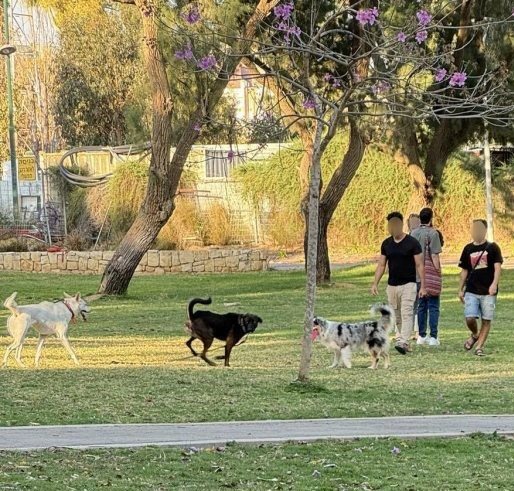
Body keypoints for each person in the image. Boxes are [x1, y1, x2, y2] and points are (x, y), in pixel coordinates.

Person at [371, 212, 427, 354]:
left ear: (401, 225)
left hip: (409, 284)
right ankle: (403, 339)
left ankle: (403, 341)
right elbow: (382, 265)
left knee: (407, 312)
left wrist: (424, 286)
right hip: (392, 285)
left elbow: (420, 265)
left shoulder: (412, 243)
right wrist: (375, 283)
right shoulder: (386, 244)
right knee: (396, 315)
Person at [458, 219, 503, 357]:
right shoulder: (467, 249)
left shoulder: (493, 247)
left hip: (488, 290)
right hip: (471, 289)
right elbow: (464, 270)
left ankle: (479, 347)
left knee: (486, 319)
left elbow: (497, 268)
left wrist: (494, 284)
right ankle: (475, 334)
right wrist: (460, 289)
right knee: (470, 318)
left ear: (484, 230)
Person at [411, 207, 442, 346]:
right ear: (431, 218)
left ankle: (421, 335)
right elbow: (434, 255)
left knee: (421, 306)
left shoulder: (413, 233)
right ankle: (433, 336)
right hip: (430, 274)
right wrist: (438, 271)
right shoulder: (433, 233)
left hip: (417, 274)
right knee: (433, 305)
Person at [407, 213, 421, 339]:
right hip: (406, 277)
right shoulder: (404, 239)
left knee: (417, 305)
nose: (415, 225)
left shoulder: (421, 239)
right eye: (413, 223)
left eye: (417, 222)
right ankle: (402, 332)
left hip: (418, 277)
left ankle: (417, 332)